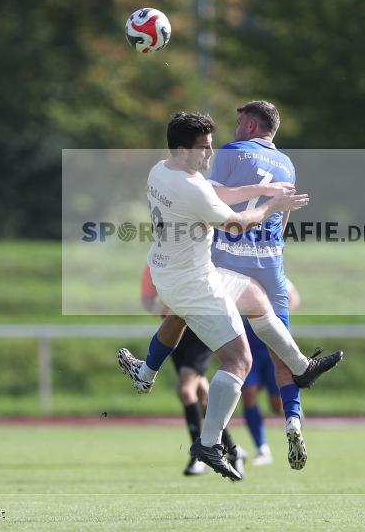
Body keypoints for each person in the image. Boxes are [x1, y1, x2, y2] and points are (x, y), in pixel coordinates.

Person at [118, 111, 343, 481]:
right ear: (181, 148)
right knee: (239, 361)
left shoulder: (162, 169)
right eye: (204, 148)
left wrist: (261, 190)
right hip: (194, 284)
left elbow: (217, 193)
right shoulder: (191, 190)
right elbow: (237, 224)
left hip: (174, 271)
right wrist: (272, 207)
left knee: (255, 296)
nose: (210, 154)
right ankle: (208, 443)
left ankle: (300, 368)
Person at [208, 100, 311, 470]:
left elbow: (211, 201)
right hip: (271, 263)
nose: (234, 130)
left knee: (217, 348)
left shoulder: (232, 152)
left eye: (238, 123)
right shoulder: (287, 163)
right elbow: (281, 221)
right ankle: (293, 420)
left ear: (251, 125)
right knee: (284, 350)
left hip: (230, 258)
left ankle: (209, 439)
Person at [140, 265, 245, 477]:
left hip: (202, 326)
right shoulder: (155, 262)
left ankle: (199, 457)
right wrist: (166, 310)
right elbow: (147, 300)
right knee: (202, 395)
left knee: (185, 389)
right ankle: (234, 450)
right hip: (174, 331)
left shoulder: (198, 253)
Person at [243, 277, 301, 466]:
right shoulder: (238, 270)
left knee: (277, 405)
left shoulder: (271, 271)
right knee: (249, 394)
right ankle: (262, 448)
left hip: (272, 345)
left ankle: (298, 429)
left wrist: (273, 320)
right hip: (250, 346)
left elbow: (293, 297)